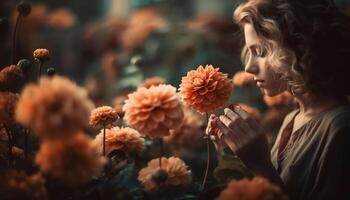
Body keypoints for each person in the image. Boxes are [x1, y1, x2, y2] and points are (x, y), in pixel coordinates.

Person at [206, 0, 350, 200]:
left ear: (299, 49)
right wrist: (233, 149)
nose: (249, 67)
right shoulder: (292, 118)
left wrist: (261, 164)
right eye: (250, 52)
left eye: (261, 52)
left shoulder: (341, 127)